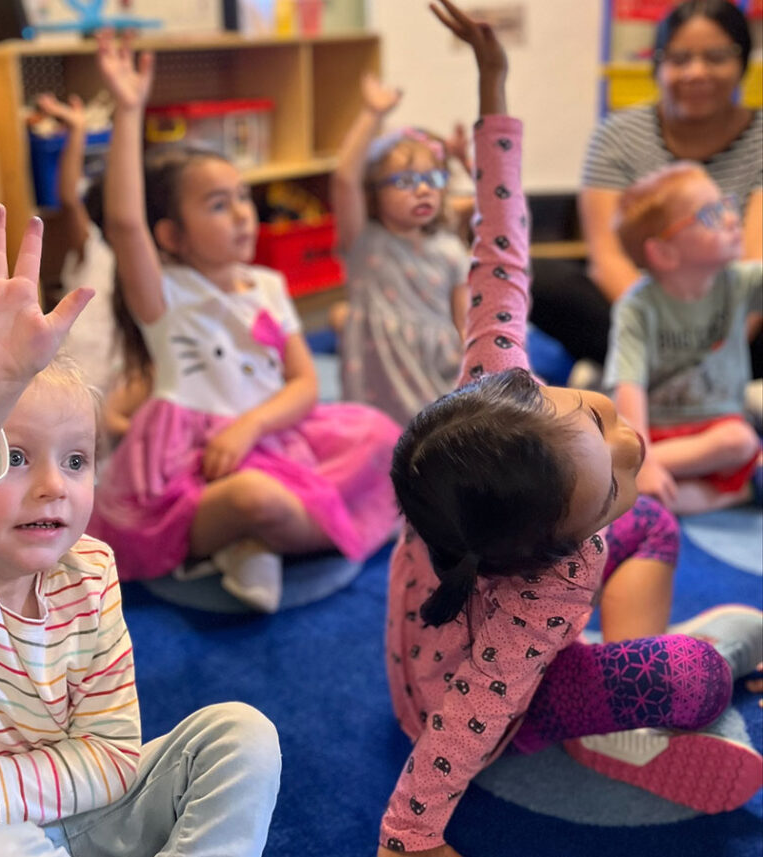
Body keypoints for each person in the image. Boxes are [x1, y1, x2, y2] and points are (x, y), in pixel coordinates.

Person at [379, 5, 762, 856]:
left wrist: (494, 85)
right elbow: (459, 725)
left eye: (595, 414)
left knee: (656, 522)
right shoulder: (536, 598)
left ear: (519, 388)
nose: (633, 442)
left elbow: (501, 247)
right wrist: (408, 830)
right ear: (556, 541)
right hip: (477, 707)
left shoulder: (490, 398)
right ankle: (608, 723)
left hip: (448, 651)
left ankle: (618, 708)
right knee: (700, 674)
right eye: (609, 488)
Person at [0, 203, 281, 857]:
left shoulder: (92, 570)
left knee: (240, 732)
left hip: (79, 814)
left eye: (76, 459)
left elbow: (110, 757)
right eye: (12, 457)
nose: (56, 485)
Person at [86, 32, 402, 613]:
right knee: (258, 499)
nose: (241, 215)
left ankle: (259, 543)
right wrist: (129, 111)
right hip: (190, 464)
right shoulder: (165, 295)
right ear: (171, 236)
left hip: (272, 435)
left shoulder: (268, 286)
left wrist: (250, 427)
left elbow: (305, 384)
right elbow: (125, 222)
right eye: (217, 205)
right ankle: (263, 533)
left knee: (384, 437)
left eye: (242, 198)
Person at [529, 0, 762, 377]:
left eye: (717, 56)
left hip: (738, 328)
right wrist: (661, 331)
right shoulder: (618, 136)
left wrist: (719, 345)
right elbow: (609, 260)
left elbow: (755, 262)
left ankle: (678, 377)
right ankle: (652, 370)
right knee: (534, 277)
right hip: (638, 317)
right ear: (657, 64)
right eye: (680, 58)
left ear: (743, 63)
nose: (697, 72)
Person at [605, 162, 762, 515]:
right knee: (742, 444)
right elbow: (629, 386)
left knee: (738, 441)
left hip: (718, 428)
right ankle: (623, 472)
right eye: (709, 214)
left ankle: (619, 479)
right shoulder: (638, 306)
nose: (731, 219)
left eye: (726, 205)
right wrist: (642, 460)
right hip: (658, 430)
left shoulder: (737, 282)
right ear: (664, 252)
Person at [329, 83, 471, 424]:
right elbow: (345, 179)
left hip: (436, 368)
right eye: (405, 182)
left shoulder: (451, 250)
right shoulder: (365, 242)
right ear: (374, 193)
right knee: (380, 445)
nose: (423, 189)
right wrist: (372, 113)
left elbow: (464, 321)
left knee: (435, 443)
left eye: (432, 178)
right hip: (380, 370)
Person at [34, 92, 122, 398]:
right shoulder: (96, 250)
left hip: (114, 382)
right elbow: (70, 197)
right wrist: (78, 130)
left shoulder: (147, 262)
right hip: (75, 379)